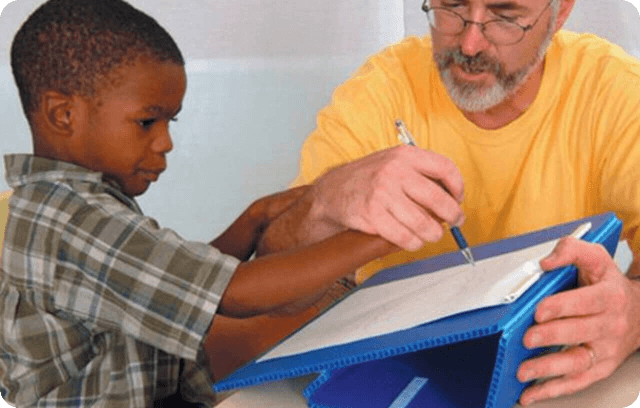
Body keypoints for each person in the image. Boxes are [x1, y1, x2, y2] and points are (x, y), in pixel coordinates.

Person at [0, 1, 398, 407]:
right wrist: (382, 235)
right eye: (147, 122)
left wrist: (253, 219)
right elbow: (232, 294)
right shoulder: (75, 221)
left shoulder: (68, 204)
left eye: (169, 122)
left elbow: (176, 283)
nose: (165, 142)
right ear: (64, 114)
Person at [258, 0, 640, 405]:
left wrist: (633, 312)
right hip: (392, 372)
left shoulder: (613, 92)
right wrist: (324, 201)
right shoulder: (380, 90)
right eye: (452, 6)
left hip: (553, 374)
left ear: (560, 12)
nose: (470, 44)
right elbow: (273, 293)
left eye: (505, 17)